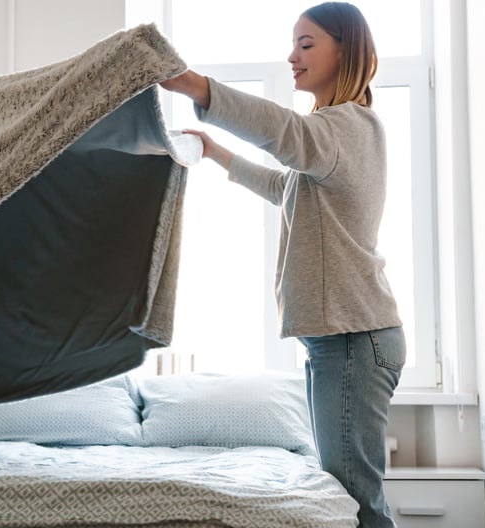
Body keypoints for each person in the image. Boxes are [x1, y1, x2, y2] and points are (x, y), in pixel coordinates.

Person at [161, 2, 405, 526]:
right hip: (345, 335)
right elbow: (283, 187)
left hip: (352, 336)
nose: (291, 56)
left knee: (356, 501)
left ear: (347, 50)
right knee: (347, 496)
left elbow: (281, 131)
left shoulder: (344, 127)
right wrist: (215, 153)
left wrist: (198, 88)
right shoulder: (341, 134)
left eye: (306, 43)